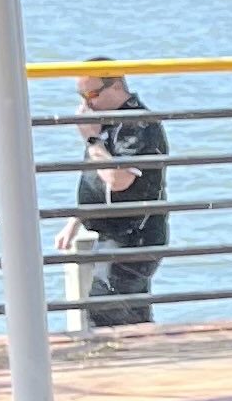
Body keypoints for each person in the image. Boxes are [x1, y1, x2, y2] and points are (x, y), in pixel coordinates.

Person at [62, 69, 168, 331]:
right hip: (112, 233)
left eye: (92, 94)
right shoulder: (107, 122)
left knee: (106, 312)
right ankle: (145, 350)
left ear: (117, 87)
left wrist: (92, 140)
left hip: (133, 235)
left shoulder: (137, 124)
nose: (87, 104)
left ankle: (121, 353)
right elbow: (97, 180)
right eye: (82, 96)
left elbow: (117, 180)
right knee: (129, 313)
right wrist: (76, 221)